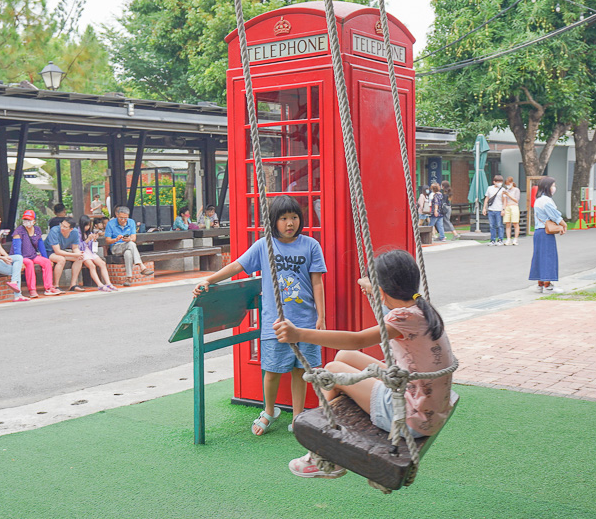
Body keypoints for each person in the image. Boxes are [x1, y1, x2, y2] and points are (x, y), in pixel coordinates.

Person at [274, 249, 455, 479]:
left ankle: (325, 452)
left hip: (410, 417)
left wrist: (298, 334)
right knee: (344, 357)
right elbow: (355, 343)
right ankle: (332, 436)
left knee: (332, 370)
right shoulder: (421, 310)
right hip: (429, 405)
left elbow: (357, 339)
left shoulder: (400, 318)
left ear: (381, 291)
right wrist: (373, 287)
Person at [193, 195, 327, 437]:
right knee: (272, 370)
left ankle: (298, 416)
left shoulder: (311, 246)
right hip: (275, 322)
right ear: (274, 221)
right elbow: (236, 266)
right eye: (284, 218)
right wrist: (209, 280)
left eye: (294, 217)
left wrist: (321, 317)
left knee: (301, 371)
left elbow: (317, 282)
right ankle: (268, 410)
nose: (290, 223)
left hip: (306, 321)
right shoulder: (264, 245)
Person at [529, 177, 567, 294]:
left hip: (538, 232)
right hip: (546, 233)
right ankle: (548, 285)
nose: (554, 188)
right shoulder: (546, 200)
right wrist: (564, 224)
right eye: (553, 185)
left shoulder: (538, 200)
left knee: (539, 258)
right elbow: (555, 215)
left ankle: (540, 284)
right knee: (549, 258)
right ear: (547, 187)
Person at [11, 210, 60, 297]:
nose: (27, 222)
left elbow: (41, 246)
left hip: (32, 255)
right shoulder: (18, 231)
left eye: (29, 220)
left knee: (47, 262)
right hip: (22, 256)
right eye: (25, 219)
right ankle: (32, 290)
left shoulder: (37, 230)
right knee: (29, 264)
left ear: (34, 221)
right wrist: (20, 262)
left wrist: (46, 258)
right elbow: (17, 249)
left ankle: (49, 288)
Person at [105, 206, 154, 286]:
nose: (123, 220)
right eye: (121, 218)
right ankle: (141, 266)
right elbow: (107, 240)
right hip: (116, 247)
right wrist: (116, 239)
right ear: (117, 215)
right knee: (131, 244)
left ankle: (129, 278)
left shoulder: (131, 222)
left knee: (128, 253)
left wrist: (129, 239)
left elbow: (133, 238)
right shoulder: (110, 224)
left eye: (125, 218)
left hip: (128, 245)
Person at [46, 217, 86, 292]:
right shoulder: (54, 231)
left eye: (65, 227)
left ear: (71, 229)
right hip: (49, 252)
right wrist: (74, 255)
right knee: (61, 259)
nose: (62, 227)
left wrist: (78, 253)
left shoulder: (75, 232)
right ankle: (56, 285)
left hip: (62, 251)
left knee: (79, 258)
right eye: (62, 225)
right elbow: (57, 251)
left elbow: (75, 248)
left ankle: (73, 285)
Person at [78, 215, 116, 292]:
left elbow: (92, 247)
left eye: (88, 225)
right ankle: (99, 284)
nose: (87, 227)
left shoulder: (89, 232)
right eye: (86, 225)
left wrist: (94, 240)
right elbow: (79, 247)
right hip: (82, 253)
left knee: (102, 263)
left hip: (90, 252)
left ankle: (108, 283)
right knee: (92, 266)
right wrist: (88, 240)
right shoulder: (77, 233)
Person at [482, 175, 506, 246]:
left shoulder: (502, 189)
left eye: (500, 182)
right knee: (492, 225)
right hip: (491, 209)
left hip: (499, 209)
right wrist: (484, 208)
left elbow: (504, 200)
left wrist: (503, 209)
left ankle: (500, 239)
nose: (499, 183)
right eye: (498, 182)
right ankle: (492, 240)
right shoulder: (489, 188)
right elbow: (487, 198)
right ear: (494, 182)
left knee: (499, 225)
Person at [501, 177, 521, 245]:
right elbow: (504, 201)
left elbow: (516, 200)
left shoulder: (516, 190)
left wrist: (508, 195)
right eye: (506, 184)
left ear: (512, 183)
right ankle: (508, 239)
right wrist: (503, 209)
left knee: (515, 223)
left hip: (514, 206)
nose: (507, 185)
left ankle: (515, 239)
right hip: (507, 207)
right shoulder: (506, 190)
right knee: (507, 223)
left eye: (508, 184)